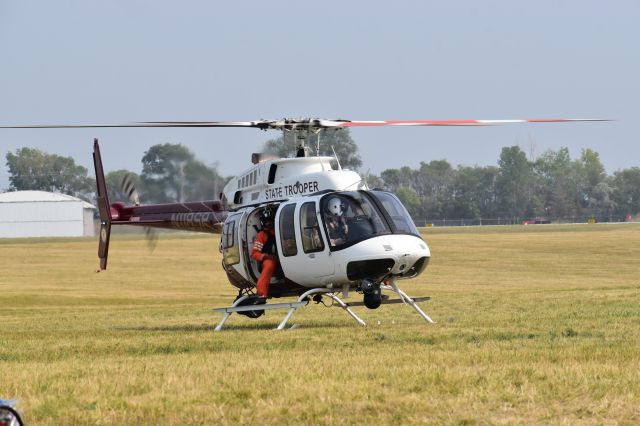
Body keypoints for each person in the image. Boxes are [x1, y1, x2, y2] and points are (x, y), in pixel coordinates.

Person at [251, 209, 279, 299]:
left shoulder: (279, 232)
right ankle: (262, 293)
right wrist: (265, 256)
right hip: (270, 260)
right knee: (269, 265)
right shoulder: (261, 235)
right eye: (266, 222)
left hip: (284, 258)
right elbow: (255, 253)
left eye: (270, 221)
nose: (269, 223)